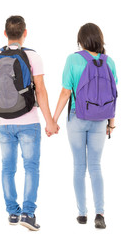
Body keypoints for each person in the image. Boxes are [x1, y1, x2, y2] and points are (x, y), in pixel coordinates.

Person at [0, 15, 59, 231]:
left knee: (7, 168)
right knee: (31, 168)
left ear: (5, 34)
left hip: (4, 123)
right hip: (29, 122)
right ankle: (28, 214)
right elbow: (42, 92)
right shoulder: (33, 57)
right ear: (25, 33)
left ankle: (12, 213)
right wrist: (50, 122)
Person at [51, 23, 118, 229]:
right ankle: (100, 213)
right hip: (100, 120)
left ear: (80, 40)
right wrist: (111, 123)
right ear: (99, 38)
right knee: (96, 166)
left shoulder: (73, 59)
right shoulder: (109, 61)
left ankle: (82, 213)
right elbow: (114, 95)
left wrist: (53, 120)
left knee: (79, 166)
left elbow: (65, 93)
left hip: (77, 117)